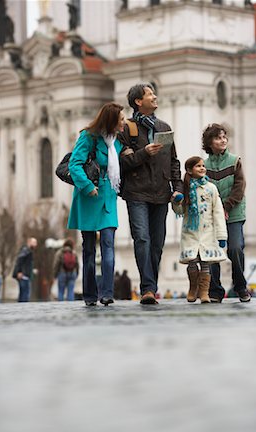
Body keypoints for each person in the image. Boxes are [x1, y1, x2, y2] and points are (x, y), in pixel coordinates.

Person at [118, 82, 183, 304]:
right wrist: (144, 153)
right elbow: (122, 163)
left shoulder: (164, 127)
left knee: (157, 243)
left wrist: (178, 189)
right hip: (136, 193)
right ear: (138, 101)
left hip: (161, 193)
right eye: (150, 94)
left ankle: (150, 286)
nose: (155, 97)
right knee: (142, 239)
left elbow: (174, 162)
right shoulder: (127, 128)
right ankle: (147, 288)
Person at [67, 102, 125, 306]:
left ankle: (107, 293)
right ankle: (90, 295)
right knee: (89, 248)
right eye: (121, 119)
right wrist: (87, 186)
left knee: (108, 243)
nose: (124, 123)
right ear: (111, 120)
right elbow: (74, 164)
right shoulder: (88, 137)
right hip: (89, 196)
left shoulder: (117, 142)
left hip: (108, 196)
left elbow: (118, 163)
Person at [203, 123, 251, 302]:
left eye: (224, 137)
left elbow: (240, 187)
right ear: (210, 142)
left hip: (234, 213)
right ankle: (215, 291)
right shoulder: (204, 166)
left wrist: (227, 207)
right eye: (218, 137)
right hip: (212, 216)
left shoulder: (234, 160)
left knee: (236, 248)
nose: (223, 140)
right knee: (213, 252)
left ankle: (240, 287)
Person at [173, 157, 227, 303]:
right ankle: (193, 287)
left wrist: (222, 235)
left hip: (207, 232)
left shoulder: (211, 188)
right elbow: (179, 210)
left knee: (205, 263)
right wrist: (177, 201)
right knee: (192, 261)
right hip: (190, 232)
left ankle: (204, 292)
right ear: (190, 170)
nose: (202, 168)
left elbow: (218, 212)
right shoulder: (185, 188)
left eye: (203, 166)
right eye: (198, 166)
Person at [12, 237, 38, 302]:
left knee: (24, 295)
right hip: (24, 276)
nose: (36, 244)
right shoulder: (26, 251)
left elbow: (26, 264)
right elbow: (19, 261)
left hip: (26, 275)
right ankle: (23, 310)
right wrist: (19, 272)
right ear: (29, 242)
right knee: (24, 295)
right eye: (34, 242)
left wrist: (32, 271)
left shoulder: (28, 251)